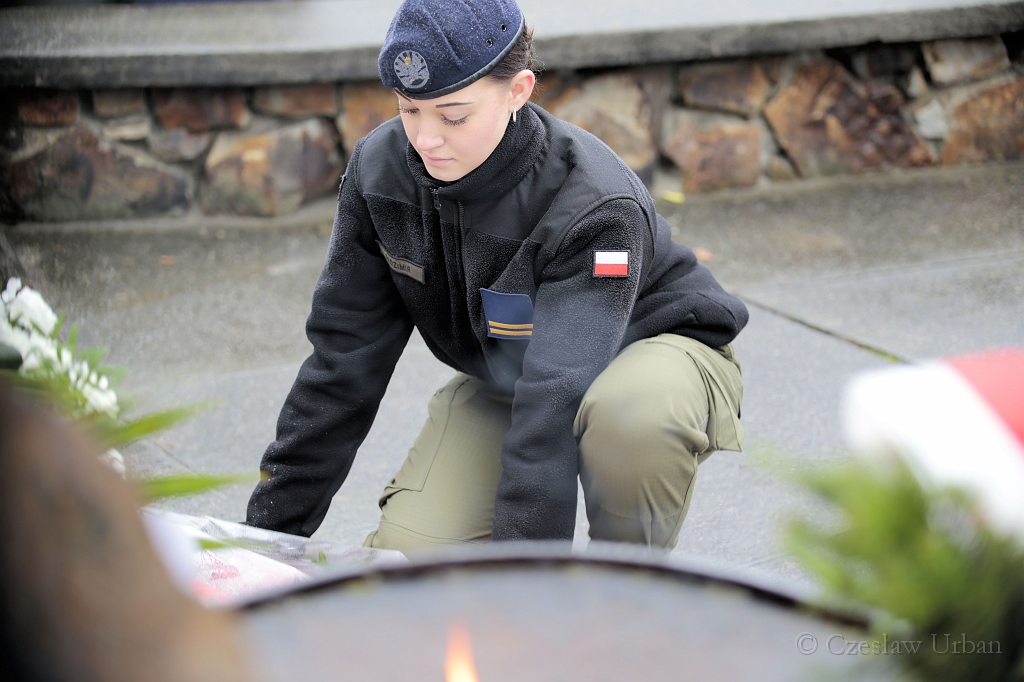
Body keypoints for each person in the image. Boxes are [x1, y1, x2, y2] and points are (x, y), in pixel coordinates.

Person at [245, 0, 747, 552]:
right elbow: (342, 361)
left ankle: (623, 588)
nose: (425, 138)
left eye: (453, 116)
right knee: (409, 555)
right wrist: (265, 544)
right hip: (516, 372)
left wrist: (524, 582)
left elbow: (558, 394)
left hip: (656, 352)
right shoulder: (378, 172)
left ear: (518, 91)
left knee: (630, 419)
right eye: (409, 109)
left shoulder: (594, 205)